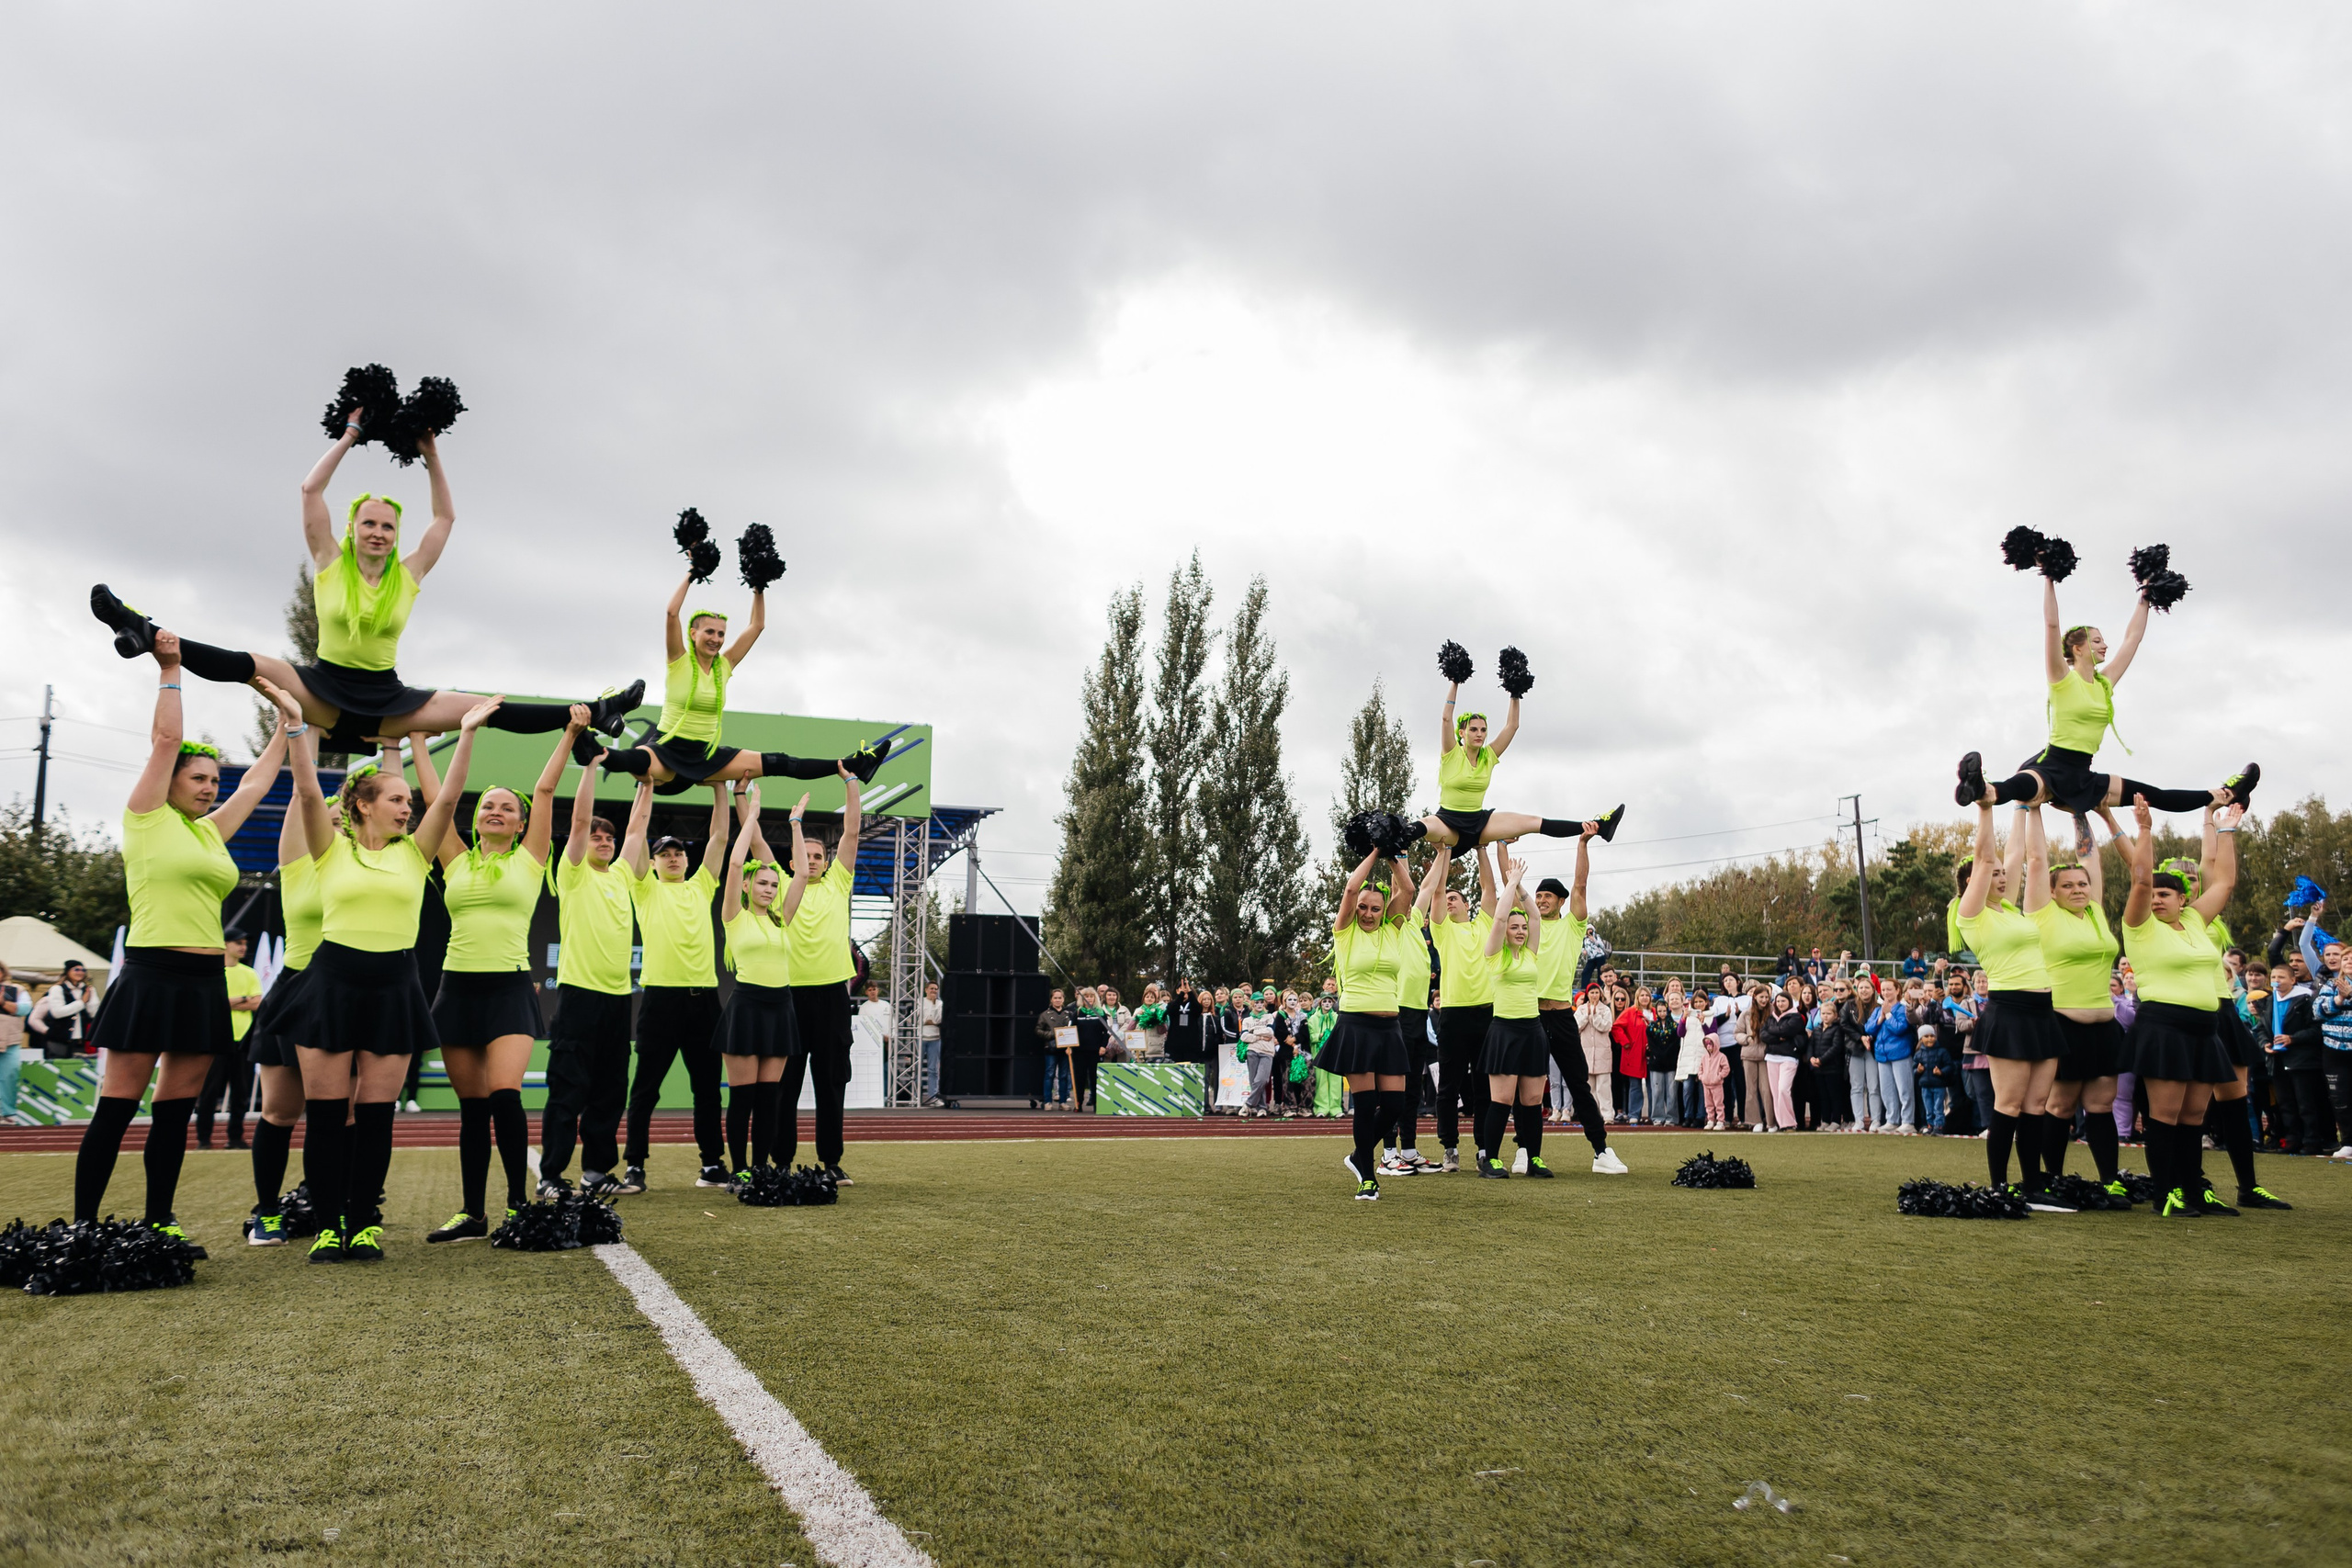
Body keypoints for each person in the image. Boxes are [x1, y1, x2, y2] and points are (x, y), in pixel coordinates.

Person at [91, 420, 644, 756]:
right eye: (369, 523)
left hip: (389, 702)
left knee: (486, 707)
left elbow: (445, 519)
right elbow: (310, 490)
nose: (379, 533)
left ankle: (600, 709)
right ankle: (141, 628)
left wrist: (431, 455)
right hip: (321, 690)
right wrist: (351, 436)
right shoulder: (330, 562)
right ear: (353, 529)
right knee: (250, 663)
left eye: (387, 526)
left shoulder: (408, 574)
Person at [71, 634, 300, 1251]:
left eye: (211, 779)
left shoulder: (208, 834)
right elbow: (167, 740)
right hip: (149, 975)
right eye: (198, 778)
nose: (208, 787)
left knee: (175, 1111)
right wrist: (171, 668)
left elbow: (254, 786)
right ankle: (84, 1223)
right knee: (118, 1105)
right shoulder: (145, 818)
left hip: (204, 985)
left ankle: (159, 1217)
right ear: (168, 779)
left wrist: (287, 725)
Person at [290, 693, 495, 1261]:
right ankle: (328, 1226)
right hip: (331, 983)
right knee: (328, 1118)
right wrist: (293, 730)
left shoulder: (416, 853)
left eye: (409, 799)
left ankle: (362, 1225)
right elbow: (309, 792)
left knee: (377, 1118)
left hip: (393, 987)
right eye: (397, 799)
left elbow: (448, 796)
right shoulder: (330, 848)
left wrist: (469, 731)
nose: (408, 808)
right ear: (362, 806)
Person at [409, 713, 581, 1239]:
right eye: (488, 805)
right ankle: (473, 1213)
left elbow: (546, 788)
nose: (496, 811)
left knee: (504, 1095)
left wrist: (569, 734)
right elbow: (437, 798)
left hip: (508, 988)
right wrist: (419, 740)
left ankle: (515, 1205)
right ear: (477, 817)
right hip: (456, 989)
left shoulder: (531, 859)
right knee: (471, 1109)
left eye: (507, 807)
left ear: (522, 823)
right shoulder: (454, 858)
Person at [1954, 559, 2257, 824]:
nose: (2104, 645)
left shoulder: (2104, 683)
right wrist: (2048, 576)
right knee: (2019, 787)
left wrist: (2146, 595)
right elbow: (2050, 625)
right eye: (2097, 641)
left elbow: (2132, 639)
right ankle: (1981, 789)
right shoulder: (2062, 677)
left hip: (2083, 772)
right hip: (2051, 764)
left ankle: (2228, 794)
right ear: (2078, 648)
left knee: (2156, 796)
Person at [584, 568, 889, 791]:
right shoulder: (679, 661)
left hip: (707, 755)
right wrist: (692, 573)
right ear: (693, 634)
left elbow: (757, 625)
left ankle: (856, 765)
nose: (716, 639)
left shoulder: (723, 667)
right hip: (667, 749)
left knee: (780, 762)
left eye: (720, 634)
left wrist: (758, 586)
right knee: (634, 761)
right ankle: (587, 745)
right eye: (709, 632)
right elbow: (671, 613)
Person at [2118, 795, 2259, 1216]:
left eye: (2167, 894)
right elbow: (2140, 881)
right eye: (2154, 894)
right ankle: (2166, 1195)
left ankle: (2193, 1193)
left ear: (2183, 900)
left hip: (2205, 1029)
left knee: (2193, 1117)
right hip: (2163, 1027)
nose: (2157, 899)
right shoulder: (2140, 928)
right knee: (2165, 1114)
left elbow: (2226, 882)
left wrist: (2226, 830)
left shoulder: (2197, 921)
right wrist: (2145, 829)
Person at [616, 779, 732, 1191]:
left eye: (678, 852)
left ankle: (712, 1165)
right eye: (664, 853)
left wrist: (721, 786)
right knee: (645, 1089)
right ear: (653, 860)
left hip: (704, 1002)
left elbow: (719, 836)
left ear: (687, 858)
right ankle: (634, 1167)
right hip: (660, 1001)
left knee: (707, 1091)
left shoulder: (702, 886)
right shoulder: (644, 888)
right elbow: (633, 834)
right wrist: (644, 788)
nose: (672, 857)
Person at [2177, 812, 2292, 1211]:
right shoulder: (2166, 922)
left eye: (2192, 881)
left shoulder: (2205, 915)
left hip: (2224, 1011)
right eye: (2181, 881)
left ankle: (2249, 1187)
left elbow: (2212, 866)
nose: (2190, 885)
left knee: (2235, 1100)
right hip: (2189, 1014)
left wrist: (2212, 818)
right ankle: (2191, 1184)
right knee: (2189, 1110)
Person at [1955, 800, 2069, 1199]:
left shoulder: (2010, 912)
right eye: (1994, 874)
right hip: (2010, 1012)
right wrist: (1986, 807)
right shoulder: (1973, 916)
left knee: (2037, 1103)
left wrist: (2023, 804)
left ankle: (2033, 1184)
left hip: (2042, 1011)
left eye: (2004, 874)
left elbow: (2016, 855)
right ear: (1972, 883)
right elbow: (1985, 858)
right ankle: (1999, 1184)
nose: (2002, 876)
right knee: (2010, 1102)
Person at [538, 747, 638, 1199]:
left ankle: (597, 1170)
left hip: (618, 999)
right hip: (579, 996)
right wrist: (592, 766)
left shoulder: (621, 876)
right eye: (598, 836)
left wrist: (648, 784)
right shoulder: (573, 872)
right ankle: (551, 1174)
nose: (604, 841)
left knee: (610, 1092)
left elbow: (637, 829)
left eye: (608, 838)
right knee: (567, 1091)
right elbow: (578, 822)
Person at [1405, 675, 1622, 852]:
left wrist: (1515, 691)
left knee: (1533, 823)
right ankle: (1389, 840)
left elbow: (1512, 725)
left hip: (1479, 823)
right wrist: (1455, 681)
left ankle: (1601, 827)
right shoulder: (1451, 754)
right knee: (1424, 825)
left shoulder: (1488, 755)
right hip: (1448, 822)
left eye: (1483, 730)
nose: (1479, 734)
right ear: (1462, 733)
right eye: (1473, 729)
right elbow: (1445, 718)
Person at [2030, 807, 2130, 1193]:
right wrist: (2032, 808)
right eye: (2068, 886)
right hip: (2062, 1024)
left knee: (2102, 1105)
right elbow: (2036, 862)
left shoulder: (2097, 914)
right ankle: (2052, 1180)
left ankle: (2111, 1180)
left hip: (2105, 1026)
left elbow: (2092, 857)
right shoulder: (2042, 915)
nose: (2077, 890)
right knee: (2060, 1106)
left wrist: (2080, 811)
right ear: (2052, 892)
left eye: (2081, 884)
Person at [715, 783, 808, 1182]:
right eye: (764, 883)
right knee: (743, 1099)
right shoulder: (734, 914)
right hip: (747, 1008)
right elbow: (735, 865)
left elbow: (802, 872)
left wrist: (795, 823)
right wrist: (751, 815)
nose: (770, 889)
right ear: (750, 885)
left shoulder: (781, 918)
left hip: (781, 1007)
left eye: (774, 884)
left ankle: (762, 1167)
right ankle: (739, 1172)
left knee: (770, 1100)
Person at [1319, 844, 1419, 1200]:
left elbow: (1407, 890)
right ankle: (1367, 1175)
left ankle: (1359, 1155)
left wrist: (1395, 855)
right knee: (1365, 1104)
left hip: (1389, 1027)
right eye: (1363, 907)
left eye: (1375, 908)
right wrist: (1375, 852)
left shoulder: (1393, 928)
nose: (1368, 913)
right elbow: (1350, 889)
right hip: (1356, 1026)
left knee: (1393, 1105)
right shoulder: (1345, 932)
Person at [782, 766, 865, 1181]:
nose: (812, 862)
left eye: (818, 857)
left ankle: (831, 1162)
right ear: (793, 858)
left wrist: (851, 782)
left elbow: (851, 832)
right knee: (786, 1086)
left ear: (827, 861)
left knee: (832, 1084)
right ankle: (780, 1162)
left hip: (832, 997)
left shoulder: (837, 883)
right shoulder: (781, 884)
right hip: (790, 997)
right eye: (805, 856)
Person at [1532, 837, 1625, 1174]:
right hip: (1530, 1015)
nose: (1541, 900)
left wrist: (1583, 842)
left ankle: (1601, 1151)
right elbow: (1507, 887)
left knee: (1579, 1085)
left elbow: (1581, 883)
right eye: (1538, 895)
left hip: (1560, 1016)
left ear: (1561, 901)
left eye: (1548, 896)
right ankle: (1525, 1152)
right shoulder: (1526, 925)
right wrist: (1499, 846)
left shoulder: (1572, 926)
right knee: (1527, 1086)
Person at [1475, 854, 1550, 1178]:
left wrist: (1520, 887)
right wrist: (1509, 884)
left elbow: (1534, 916)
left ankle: (1534, 1158)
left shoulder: (1530, 953)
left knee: (1532, 1101)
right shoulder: (1494, 955)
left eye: (1522, 928)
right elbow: (1499, 919)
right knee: (1502, 1101)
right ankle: (1490, 1158)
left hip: (1533, 1031)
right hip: (1504, 1032)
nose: (1520, 931)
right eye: (1514, 928)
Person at [1426, 842, 1498, 1171]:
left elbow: (1489, 887)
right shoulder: (1443, 932)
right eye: (1449, 899)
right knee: (1449, 1087)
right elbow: (1437, 892)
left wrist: (1482, 848)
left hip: (1486, 1014)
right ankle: (1450, 1148)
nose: (1450, 902)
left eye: (1457, 898)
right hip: (1453, 1014)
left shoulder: (1485, 924)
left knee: (1484, 1086)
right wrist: (1443, 855)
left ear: (1468, 905)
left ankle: (1484, 1148)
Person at [195, 931, 262, 1150]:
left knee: (240, 1093)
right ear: (225, 945)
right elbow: (210, 1003)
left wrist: (229, 1002)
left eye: (245, 943)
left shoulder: (250, 973)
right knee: (209, 1092)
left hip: (243, 1041)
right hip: (215, 1039)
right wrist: (243, 999)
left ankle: (235, 1138)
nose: (243, 947)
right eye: (238, 943)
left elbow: (257, 1003)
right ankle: (203, 1140)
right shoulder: (213, 971)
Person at [26, 960, 92, 1059]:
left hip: (79, 1041)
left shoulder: (86, 990)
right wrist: (48, 1031)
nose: (80, 972)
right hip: (58, 1041)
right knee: (56, 1067)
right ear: (68, 972)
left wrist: (91, 997)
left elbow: (93, 1013)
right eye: (76, 969)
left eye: (83, 970)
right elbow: (53, 1014)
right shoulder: (57, 990)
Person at [1761, 991, 1806, 1132]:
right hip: (1771, 1057)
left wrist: (1775, 1032)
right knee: (1775, 1092)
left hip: (1789, 1057)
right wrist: (1778, 1036)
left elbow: (1786, 1030)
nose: (1780, 1004)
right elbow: (1764, 1035)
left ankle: (1790, 1122)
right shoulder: (1771, 1017)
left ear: (1789, 1002)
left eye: (1783, 1001)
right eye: (1778, 1001)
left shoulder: (1796, 1017)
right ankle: (1782, 1124)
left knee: (1783, 1090)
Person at [1574, 982, 1617, 1125]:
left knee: (1603, 1087)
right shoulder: (1581, 1009)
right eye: (1591, 993)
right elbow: (1576, 1027)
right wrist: (1586, 1016)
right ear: (1587, 994)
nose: (1594, 995)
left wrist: (1595, 1016)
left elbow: (1606, 1026)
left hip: (1602, 1052)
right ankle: (1593, 1115)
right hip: (1586, 1052)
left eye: (1596, 992)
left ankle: (1608, 1115)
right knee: (1589, 1087)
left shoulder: (1605, 1010)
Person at [1163, 979, 1207, 1114]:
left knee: (1191, 1074)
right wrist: (1181, 995)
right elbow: (1171, 1010)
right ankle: (1175, 1101)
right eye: (1179, 989)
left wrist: (1190, 993)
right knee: (1175, 1073)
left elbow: (1198, 1009)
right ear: (1176, 991)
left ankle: (1193, 1102)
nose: (1183, 991)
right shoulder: (1174, 1004)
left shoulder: (1193, 1004)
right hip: (1175, 1045)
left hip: (1191, 1045)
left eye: (1185, 989)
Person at [1035, 989, 1072, 1110]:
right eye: (1055, 998)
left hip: (1065, 1050)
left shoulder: (1070, 1014)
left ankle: (1063, 1102)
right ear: (1051, 999)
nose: (1057, 1000)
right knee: (1049, 1074)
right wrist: (1052, 1034)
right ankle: (1047, 1102)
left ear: (1063, 999)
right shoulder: (1045, 1014)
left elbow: (1075, 1029)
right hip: (1050, 1049)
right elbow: (1038, 1030)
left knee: (1064, 1076)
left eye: (1060, 998)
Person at [0, 964, 27, 1125]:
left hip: (10, 1040)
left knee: (10, 1075)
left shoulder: (17, 989)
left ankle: (7, 1112)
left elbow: (25, 1009)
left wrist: (3, 1003)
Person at [1915, 1025, 1953, 1133]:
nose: (1930, 1038)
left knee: (1938, 1108)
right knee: (1928, 1108)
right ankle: (1930, 1125)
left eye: (1932, 1036)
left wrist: (1941, 1072)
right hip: (1925, 1086)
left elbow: (1949, 1066)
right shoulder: (1919, 1054)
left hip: (1939, 1085)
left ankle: (1939, 1126)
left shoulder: (1942, 1052)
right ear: (1921, 1039)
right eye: (1926, 1036)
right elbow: (1914, 1069)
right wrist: (1918, 1070)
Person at [919, 981, 945, 1106]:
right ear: (926, 990)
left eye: (936, 989)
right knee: (916, 1068)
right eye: (931, 989)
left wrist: (934, 1006)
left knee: (933, 1069)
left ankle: (933, 1097)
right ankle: (915, 1096)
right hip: (921, 1037)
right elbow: (919, 1018)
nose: (934, 991)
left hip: (935, 1038)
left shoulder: (940, 1004)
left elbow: (938, 1019)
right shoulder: (920, 1002)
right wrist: (928, 1021)